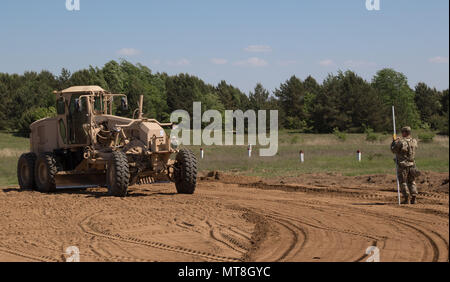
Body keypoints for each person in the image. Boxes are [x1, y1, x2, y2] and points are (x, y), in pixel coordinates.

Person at [391, 126, 419, 204]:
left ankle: (407, 198)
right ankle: (414, 197)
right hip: (412, 164)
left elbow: (394, 150)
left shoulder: (401, 142)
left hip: (403, 165)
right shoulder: (414, 141)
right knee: (412, 181)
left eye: (403, 132)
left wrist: (394, 142)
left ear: (405, 132)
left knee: (403, 181)